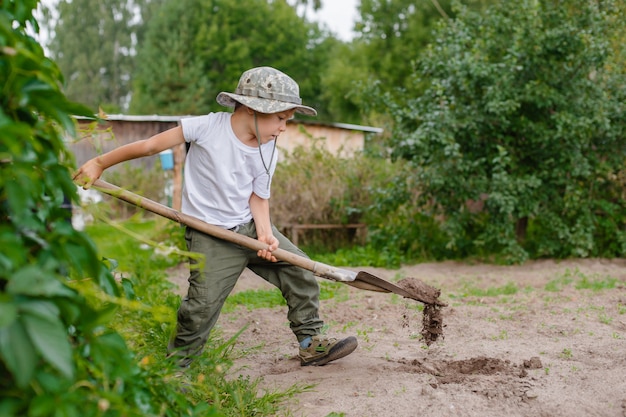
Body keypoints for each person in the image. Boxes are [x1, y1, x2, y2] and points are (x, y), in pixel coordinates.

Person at [73, 66, 358, 367]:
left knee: (299, 272)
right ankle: (179, 367)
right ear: (252, 109)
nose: (284, 127)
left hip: (247, 227)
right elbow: (149, 146)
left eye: (287, 120)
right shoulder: (206, 128)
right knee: (202, 305)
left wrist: (264, 234)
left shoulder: (269, 147)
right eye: (280, 118)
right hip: (209, 235)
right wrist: (99, 163)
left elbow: (258, 197)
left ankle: (310, 342)